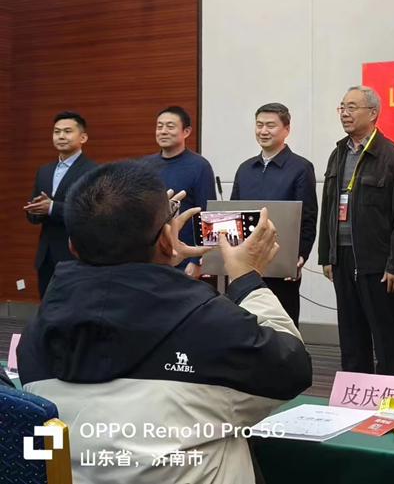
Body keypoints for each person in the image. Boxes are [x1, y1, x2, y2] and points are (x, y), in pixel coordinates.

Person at [17, 160, 312, 484]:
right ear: (166, 240)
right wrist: (248, 278)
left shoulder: (36, 335)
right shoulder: (211, 325)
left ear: (73, 246)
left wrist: (158, 256)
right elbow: (292, 367)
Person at [318, 86, 394, 376]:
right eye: (342, 107)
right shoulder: (338, 154)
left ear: (373, 113)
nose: (345, 114)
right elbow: (329, 207)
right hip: (342, 257)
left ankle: (391, 395)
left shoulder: (390, 155)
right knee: (350, 334)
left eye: (352, 107)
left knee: (385, 336)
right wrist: (326, 255)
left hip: (377, 261)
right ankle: (355, 393)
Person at [230, 103, 317, 327]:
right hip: (245, 262)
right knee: (244, 322)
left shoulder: (300, 168)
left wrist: (300, 255)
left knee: (281, 324)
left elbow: (307, 217)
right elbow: (232, 215)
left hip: (281, 261)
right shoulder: (245, 169)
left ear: (286, 129)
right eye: (259, 125)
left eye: (270, 125)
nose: (263, 131)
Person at [24, 111, 98, 299]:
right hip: (46, 256)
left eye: (67, 131)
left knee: (74, 307)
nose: (61, 136)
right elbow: (33, 214)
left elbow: (90, 212)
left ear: (83, 137)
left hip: (75, 255)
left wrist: (51, 208)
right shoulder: (44, 171)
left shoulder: (93, 171)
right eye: (57, 132)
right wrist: (35, 210)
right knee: (46, 306)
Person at [144, 106, 216, 276]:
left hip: (184, 258)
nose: (163, 131)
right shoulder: (144, 165)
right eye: (159, 126)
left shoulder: (200, 166)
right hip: (149, 257)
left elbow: (207, 214)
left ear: (186, 131)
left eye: (170, 126)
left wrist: (196, 260)